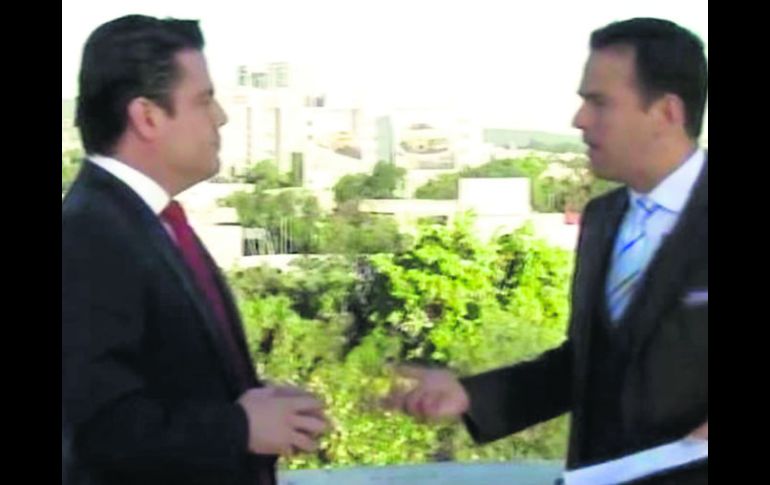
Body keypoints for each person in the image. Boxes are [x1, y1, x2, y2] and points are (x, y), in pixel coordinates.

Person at [385, 17, 708, 484]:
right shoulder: (602, 218)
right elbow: (584, 365)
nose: (579, 120)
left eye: (599, 102)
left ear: (666, 112)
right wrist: (470, 396)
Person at [62, 15, 328, 485]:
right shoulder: (88, 238)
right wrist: (239, 427)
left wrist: (256, 406)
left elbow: (163, 385)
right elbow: (100, 430)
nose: (220, 117)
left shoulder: (147, 221)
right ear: (147, 117)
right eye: (204, 101)